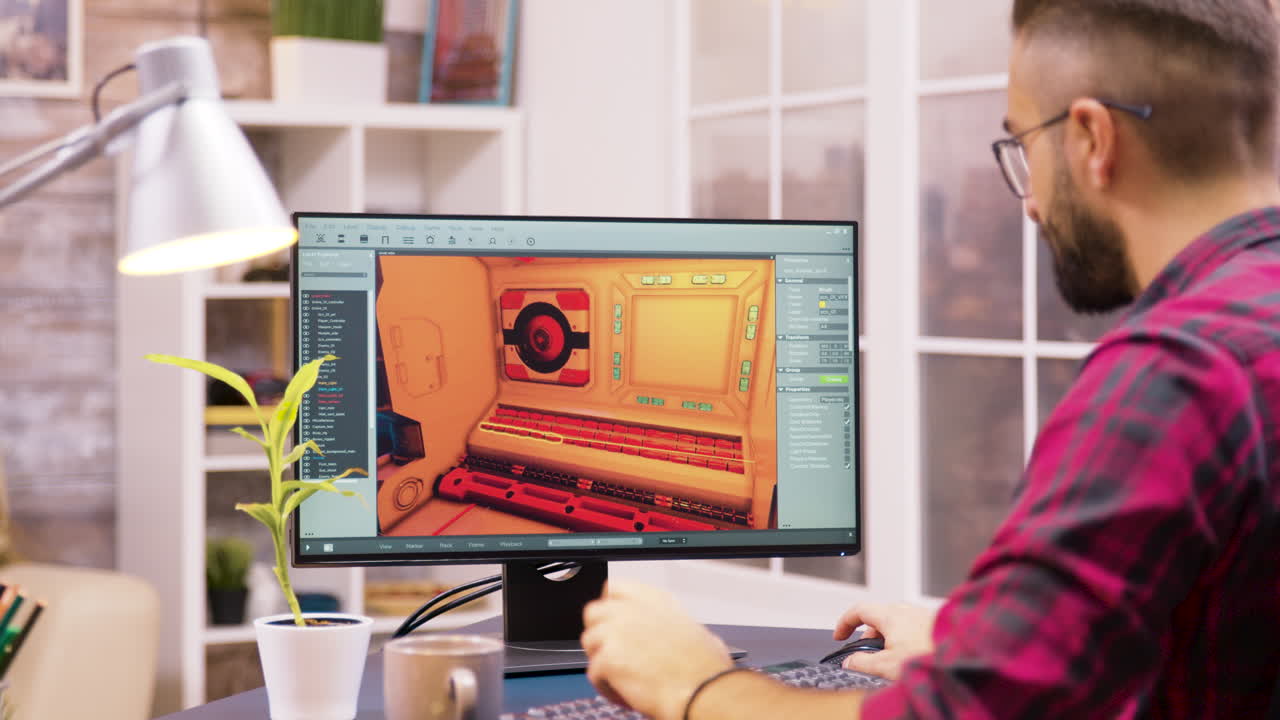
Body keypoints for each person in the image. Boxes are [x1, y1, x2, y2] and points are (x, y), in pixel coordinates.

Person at [580, 1, 1280, 718]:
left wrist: (694, 684)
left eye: (1023, 147)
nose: (1031, 203)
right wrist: (974, 653)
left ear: (1091, 138)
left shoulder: (1174, 376)